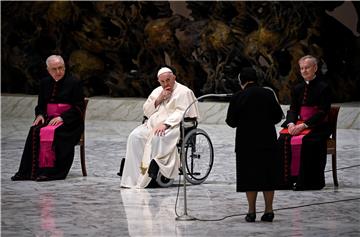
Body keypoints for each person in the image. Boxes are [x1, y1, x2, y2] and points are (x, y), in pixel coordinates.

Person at [120, 66, 199, 188]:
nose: (166, 83)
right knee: (135, 136)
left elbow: (183, 112)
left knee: (158, 137)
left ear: (174, 78)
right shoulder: (157, 91)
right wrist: (159, 99)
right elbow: (146, 111)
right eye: (163, 81)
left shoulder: (184, 92)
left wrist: (166, 124)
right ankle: (134, 175)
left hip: (174, 126)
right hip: (152, 125)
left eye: (168, 80)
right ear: (159, 81)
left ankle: (156, 171)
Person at [11, 55, 85, 182]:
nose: (58, 72)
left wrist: (62, 117)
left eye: (60, 68)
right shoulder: (44, 83)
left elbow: (79, 107)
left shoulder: (74, 82)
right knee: (34, 130)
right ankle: (27, 172)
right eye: (54, 69)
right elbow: (40, 105)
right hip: (48, 118)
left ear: (65, 67)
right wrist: (39, 115)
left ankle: (51, 173)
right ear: (48, 70)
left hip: (69, 122)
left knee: (55, 132)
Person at [226, 67, 284, 222]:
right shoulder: (268, 93)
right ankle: (269, 210)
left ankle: (251, 212)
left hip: (246, 142)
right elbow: (278, 116)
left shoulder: (238, 96)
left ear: (241, 82)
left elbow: (231, 122)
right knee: (268, 176)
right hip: (267, 141)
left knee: (249, 177)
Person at [278, 55, 331, 191]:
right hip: (299, 123)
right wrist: (290, 124)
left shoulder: (324, 87)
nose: (304, 71)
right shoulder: (297, 88)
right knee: (283, 139)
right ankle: (286, 181)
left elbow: (322, 112)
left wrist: (304, 125)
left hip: (318, 125)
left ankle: (307, 182)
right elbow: (293, 109)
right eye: (302, 68)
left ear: (315, 68)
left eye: (307, 68)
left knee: (309, 141)